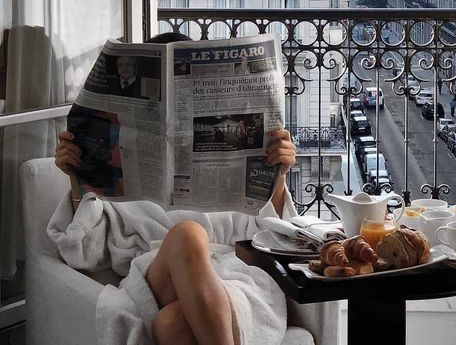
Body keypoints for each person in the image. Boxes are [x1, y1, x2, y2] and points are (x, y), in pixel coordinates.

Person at [51, 32, 296, 345]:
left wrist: (279, 173)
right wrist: (76, 176)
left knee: (172, 325)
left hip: (232, 281)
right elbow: (83, 252)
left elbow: (274, 234)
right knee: (187, 235)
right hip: (156, 279)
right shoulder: (117, 167)